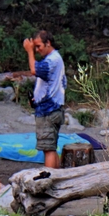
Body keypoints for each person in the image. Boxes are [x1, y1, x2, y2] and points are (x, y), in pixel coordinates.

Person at [23, 29, 66, 169]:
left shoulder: (53, 60)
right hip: (51, 108)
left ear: (48, 43)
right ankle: (57, 176)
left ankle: (50, 180)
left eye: (38, 46)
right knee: (51, 147)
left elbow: (34, 70)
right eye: (34, 47)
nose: (36, 50)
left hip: (49, 111)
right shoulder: (54, 59)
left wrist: (29, 51)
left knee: (48, 149)